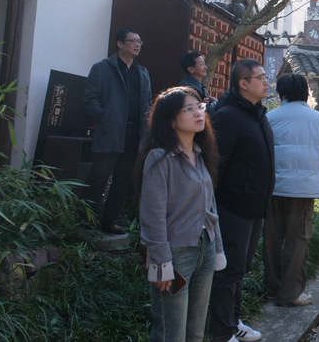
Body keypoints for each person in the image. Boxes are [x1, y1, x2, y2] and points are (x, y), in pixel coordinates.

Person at [137, 87, 226, 342]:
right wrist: (161, 261)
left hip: (205, 247)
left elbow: (211, 208)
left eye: (199, 107)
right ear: (171, 120)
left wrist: (218, 248)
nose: (198, 113)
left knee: (195, 331)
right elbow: (152, 214)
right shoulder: (159, 158)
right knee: (171, 332)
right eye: (189, 109)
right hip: (175, 254)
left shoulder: (200, 154)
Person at [209, 59, 273, 342]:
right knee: (227, 270)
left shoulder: (258, 113)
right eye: (261, 78)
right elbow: (216, 164)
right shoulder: (228, 116)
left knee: (239, 269)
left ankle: (234, 322)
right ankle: (222, 332)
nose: (267, 82)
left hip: (255, 207)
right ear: (243, 84)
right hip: (233, 206)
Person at [264, 74, 319, 307]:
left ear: (281, 94)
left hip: (273, 187)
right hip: (303, 189)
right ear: (306, 93)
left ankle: (273, 289)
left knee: (272, 239)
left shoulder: (269, 117)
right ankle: (291, 293)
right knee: (297, 241)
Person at [82, 27, 152, 235]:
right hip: (110, 132)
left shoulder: (142, 72)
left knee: (122, 180)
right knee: (98, 178)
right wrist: (104, 117)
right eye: (133, 41)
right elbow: (90, 98)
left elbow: (147, 102)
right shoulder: (102, 68)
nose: (137, 45)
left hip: (134, 134)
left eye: (140, 41)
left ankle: (111, 220)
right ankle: (84, 220)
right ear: (120, 44)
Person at [179, 51, 218, 115]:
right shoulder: (188, 88)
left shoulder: (199, 85)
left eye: (204, 64)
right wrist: (216, 103)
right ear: (191, 69)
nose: (206, 67)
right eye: (202, 64)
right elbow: (197, 111)